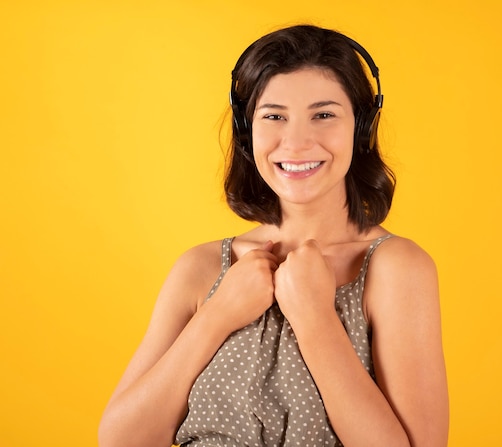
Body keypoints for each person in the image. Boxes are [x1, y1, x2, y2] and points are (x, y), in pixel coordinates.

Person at [98, 24, 449, 447]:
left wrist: (316, 319)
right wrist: (217, 315)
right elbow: (121, 440)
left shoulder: (394, 269)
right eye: (274, 116)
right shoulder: (202, 268)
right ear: (248, 134)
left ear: (361, 129)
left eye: (324, 115)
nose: (297, 142)